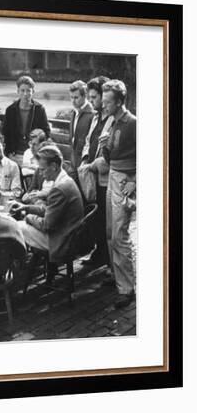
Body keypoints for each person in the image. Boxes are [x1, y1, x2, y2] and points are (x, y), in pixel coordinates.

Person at [11, 145, 84, 275]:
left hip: (62, 241)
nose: (41, 173)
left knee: (15, 227)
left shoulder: (59, 188)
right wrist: (26, 208)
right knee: (20, 226)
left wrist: (28, 217)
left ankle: (15, 270)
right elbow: (50, 211)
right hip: (66, 233)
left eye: (43, 169)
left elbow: (46, 225)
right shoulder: (65, 180)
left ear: (54, 166)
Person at [99, 79, 137, 309]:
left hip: (124, 180)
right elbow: (108, 157)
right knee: (111, 231)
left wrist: (135, 181)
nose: (104, 106)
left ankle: (127, 289)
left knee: (120, 235)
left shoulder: (133, 123)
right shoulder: (111, 121)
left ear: (120, 101)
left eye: (108, 102)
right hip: (113, 175)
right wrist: (105, 146)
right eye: (103, 102)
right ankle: (117, 276)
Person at [78, 76, 112, 268]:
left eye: (94, 97)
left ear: (103, 96)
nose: (91, 101)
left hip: (105, 178)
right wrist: (84, 159)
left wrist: (93, 165)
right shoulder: (96, 117)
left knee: (104, 219)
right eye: (90, 97)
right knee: (96, 217)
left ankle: (106, 259)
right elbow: (88, 141)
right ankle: (99, 253)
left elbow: (110, 154)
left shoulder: (112, 119)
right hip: (91, 174)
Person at [3, 75, 50, 166]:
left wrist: (38, 152)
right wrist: (9, 152)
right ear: (18, 91)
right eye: (22, 90)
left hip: (33, 156)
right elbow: (6, 133)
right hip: (15, 154)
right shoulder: (10, 110)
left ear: (33, 92)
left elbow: (46, 132)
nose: (25, 94)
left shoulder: (39, 109)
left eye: (28, 90)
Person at [69, 80, 95, 170]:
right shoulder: (74, 112)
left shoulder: (92, 114)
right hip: (73, 161)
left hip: (85, 163)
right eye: (71, 97)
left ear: (85, 96)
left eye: (76, 97)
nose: (73, 101)